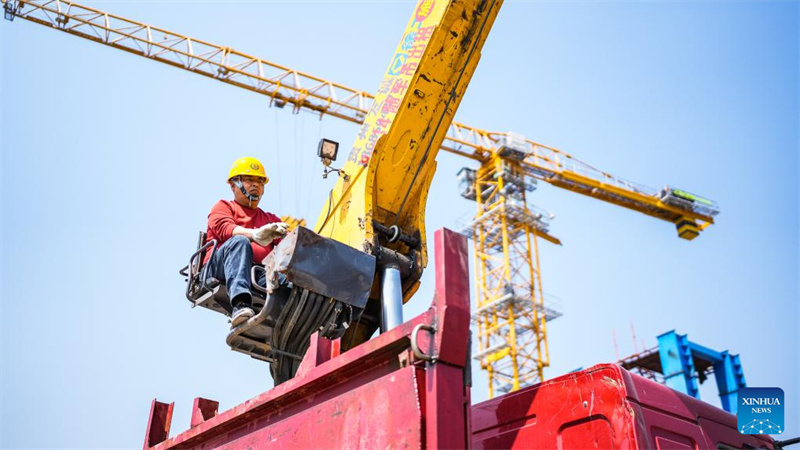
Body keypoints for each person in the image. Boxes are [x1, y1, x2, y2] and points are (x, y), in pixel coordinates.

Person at [204, 157, 288, 327]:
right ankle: (240, 304)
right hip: (219, 268)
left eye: (260, 181)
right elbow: (226, 229)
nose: (256, 185)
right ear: (234, 184)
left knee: (290, 277)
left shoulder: (270, 219)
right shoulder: (223, 207)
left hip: (255, 273)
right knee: (240, 242)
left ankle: (304, 318)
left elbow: (290, 247)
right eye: (249, 180)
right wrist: (254, 234)